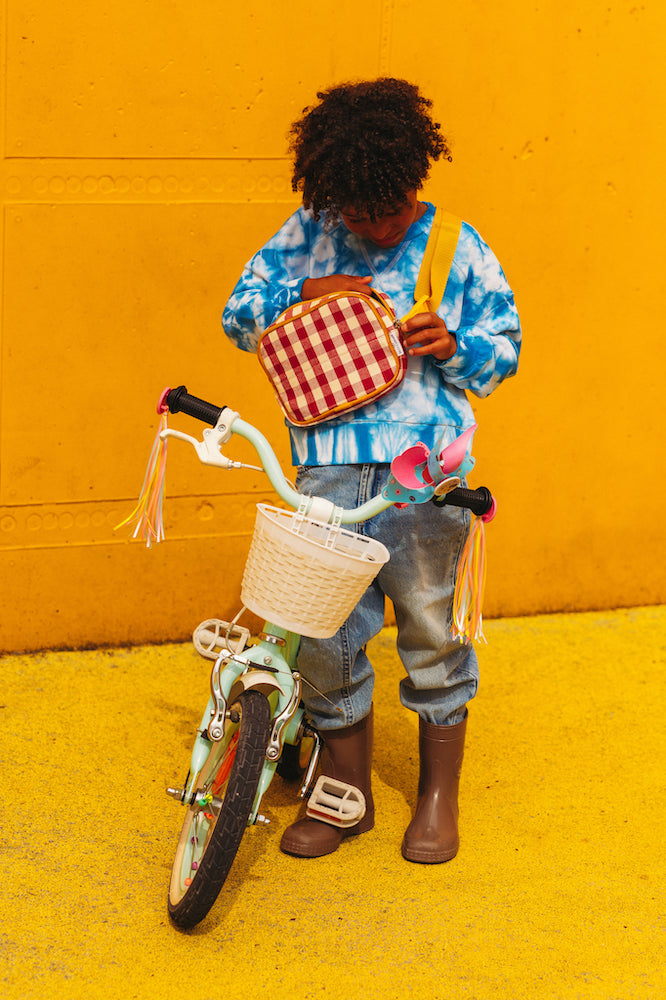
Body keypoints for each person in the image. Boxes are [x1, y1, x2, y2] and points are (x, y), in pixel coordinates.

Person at [222, 78, 521, 864]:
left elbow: (508, 352)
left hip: (427, 477)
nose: (373, 228)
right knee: (327, 634)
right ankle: (344, 791)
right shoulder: (306, 233)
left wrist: (458, 345)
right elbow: (237, 313)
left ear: (414, 183)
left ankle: (436, 796)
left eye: (387, 213)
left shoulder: (458, 245)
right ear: (332, 195)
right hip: (325, 473)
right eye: (356, 214)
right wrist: (302, 291)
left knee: (431, 627)